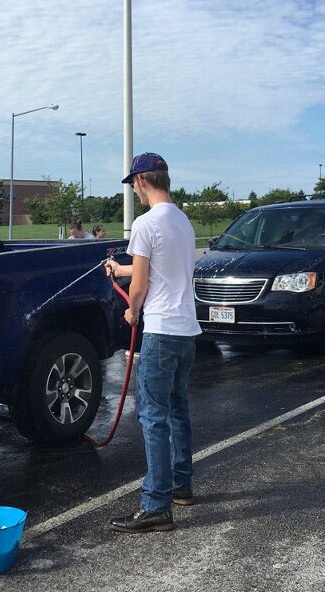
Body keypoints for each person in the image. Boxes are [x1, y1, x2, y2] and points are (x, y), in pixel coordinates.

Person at [103, 153, 200, 534]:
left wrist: (132, 311)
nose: (135, 192)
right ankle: (181, 486)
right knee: (177, 409)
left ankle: (156, 505)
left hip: (160, 332)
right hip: (186, 332)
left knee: (153, 416)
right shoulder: (182, 221)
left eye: (133, 185)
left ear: (142, 180)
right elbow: (157, 267)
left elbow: (140, 285)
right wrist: (120, 268)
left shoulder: (144, 224)